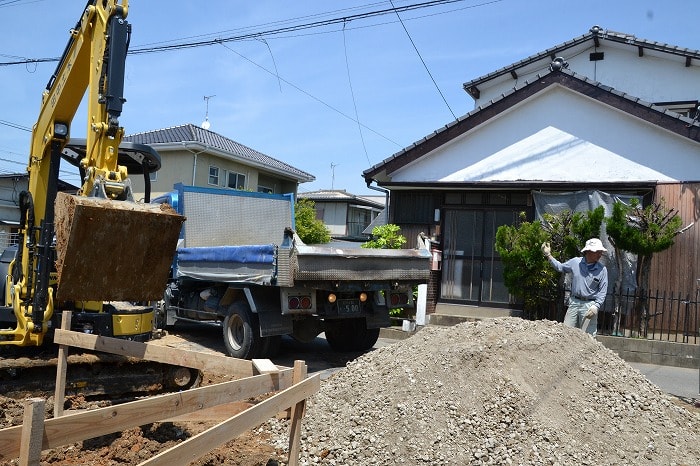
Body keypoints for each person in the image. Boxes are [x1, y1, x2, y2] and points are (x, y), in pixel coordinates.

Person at [541, 238, 608, 337]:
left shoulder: (602, 270)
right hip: (574, 303)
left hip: (590, 305)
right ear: (588, 251)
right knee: (566, 332)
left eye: (601, 252)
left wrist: (596, 306)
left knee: (588, 336)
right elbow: (560, 267)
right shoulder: (575, 262)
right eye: (597, 251)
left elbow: (603, 291)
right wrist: (548, 255)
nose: (600, 254)